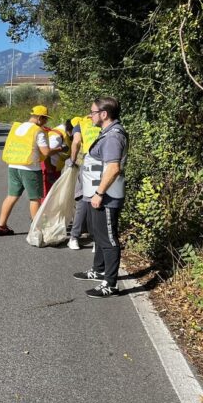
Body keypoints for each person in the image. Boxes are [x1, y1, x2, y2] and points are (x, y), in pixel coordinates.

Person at [73, 97, 128, 298]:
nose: (90, 115)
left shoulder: (113, 137)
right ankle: (98, 270)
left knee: (108, 239)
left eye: (93, 112)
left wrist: (99, 193)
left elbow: (113, 168)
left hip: (105, 196)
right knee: (98, 235)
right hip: (97, 195)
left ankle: (110, 284)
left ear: (104, 114)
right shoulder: (107, 134)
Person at [0, 105, 63, 236]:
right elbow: (46, 152)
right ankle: (37, 231)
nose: (45, 122)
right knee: (35, 199)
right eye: (45, 119)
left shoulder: (17, 127)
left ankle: (1, 226)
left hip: (13, 166)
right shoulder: (38, 131)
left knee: (12, 196)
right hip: (30, 168)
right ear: (40, 118)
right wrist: (59, 149)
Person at [67, 115, 102, 250]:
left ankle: (74, 237)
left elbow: (76, 142)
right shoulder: (106, 123)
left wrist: (72, 160)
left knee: (82, 199)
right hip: (105, 164)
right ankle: (96, 241)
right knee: (99, 199)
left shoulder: (81, 123)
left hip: (90, 164)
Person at [42, 119, 72, 199]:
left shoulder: (63, 132)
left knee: (53, 193)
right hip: (49, 167)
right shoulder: (57, 136)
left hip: (55, 167)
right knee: (48, 195)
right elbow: (46, 153)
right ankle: (45, 211)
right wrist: (49, 171)